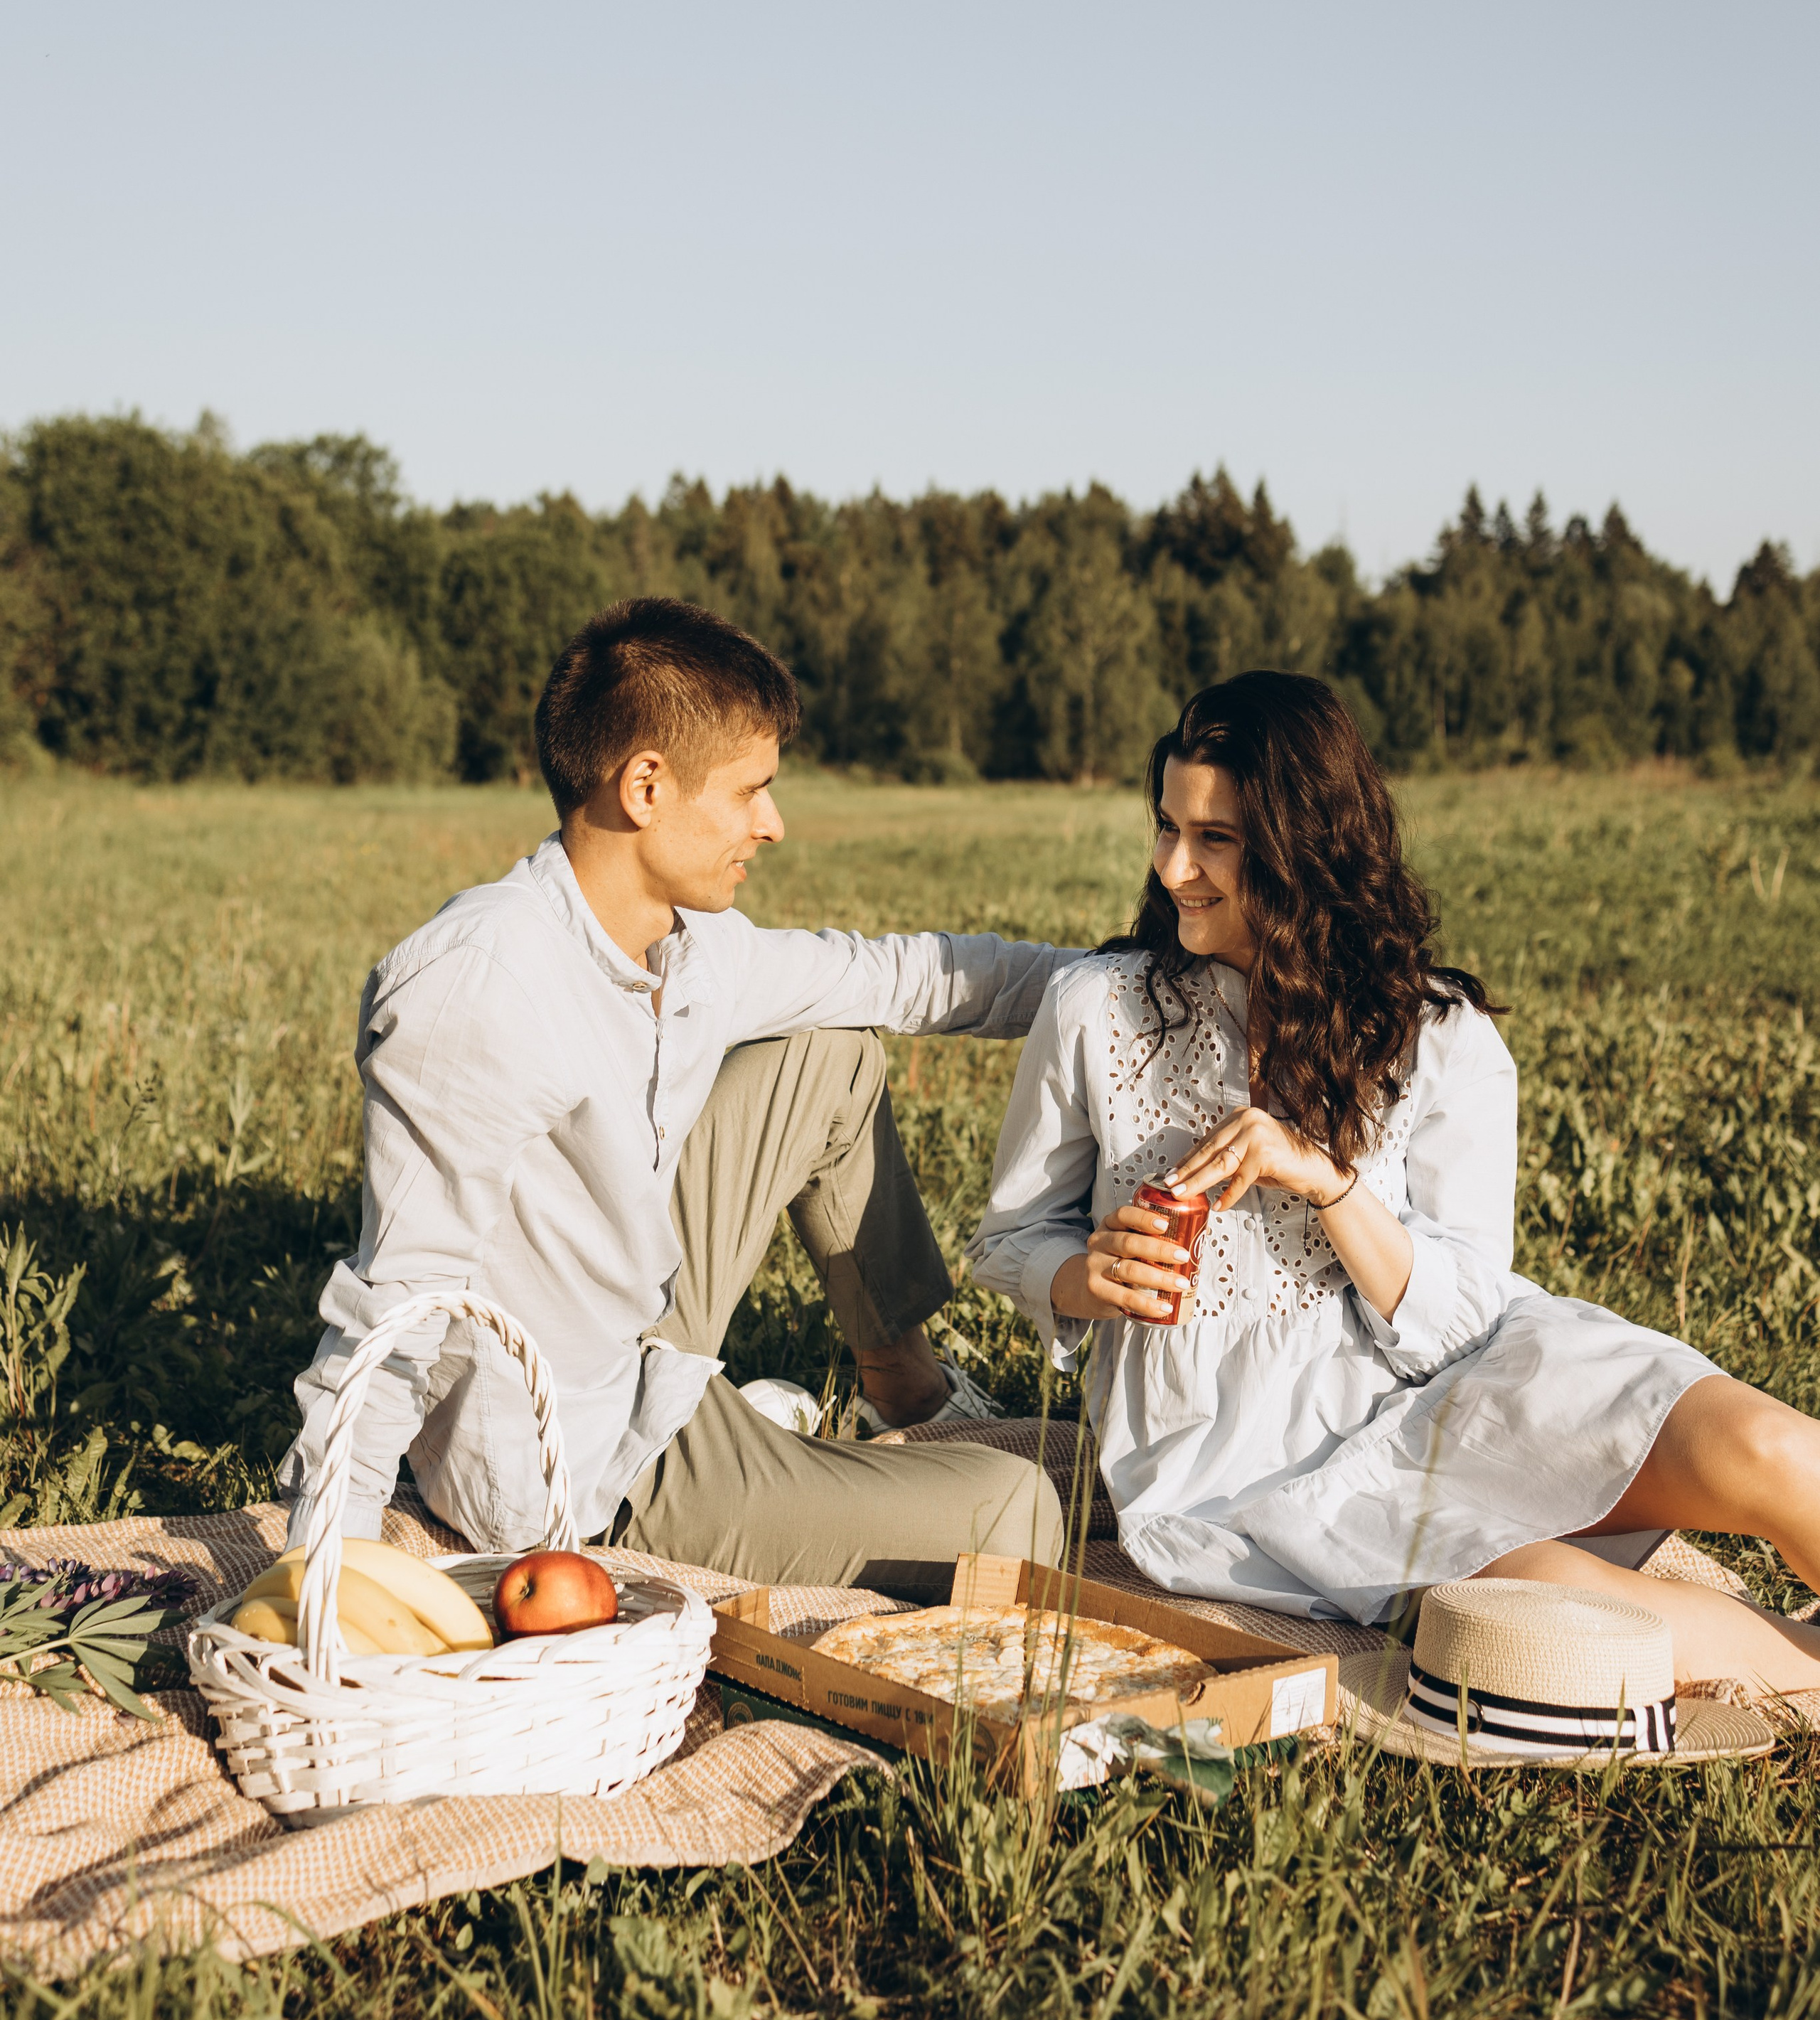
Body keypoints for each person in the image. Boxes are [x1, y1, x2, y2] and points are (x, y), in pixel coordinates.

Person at [968, 670, 1820, 1693]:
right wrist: (1082, 1278)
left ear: (1303, 847)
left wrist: (1328, 1183)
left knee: (1766, 1445)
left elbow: (1465, 1317)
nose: (1174, 867)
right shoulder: (1098, 1008)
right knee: (1546, 1617)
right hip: (1255, 1473)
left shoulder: (1435, 1029)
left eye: (1216, 839)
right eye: (1166, 825)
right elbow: (1011, 1237)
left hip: (1465, 1382)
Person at [280, 596, 1068, 1586]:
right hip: (581, 1468)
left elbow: (907, 975)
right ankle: (773, 1460)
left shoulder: (695, 951)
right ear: (646, 785)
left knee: (828, 1055)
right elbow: (395, 1301)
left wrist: (1116, 989)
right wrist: (328, 1567)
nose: (772, 825)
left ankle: (902, 1395)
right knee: (1020, 1507)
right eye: (750, 792)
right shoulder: (483, 983)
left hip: (648, 1345)